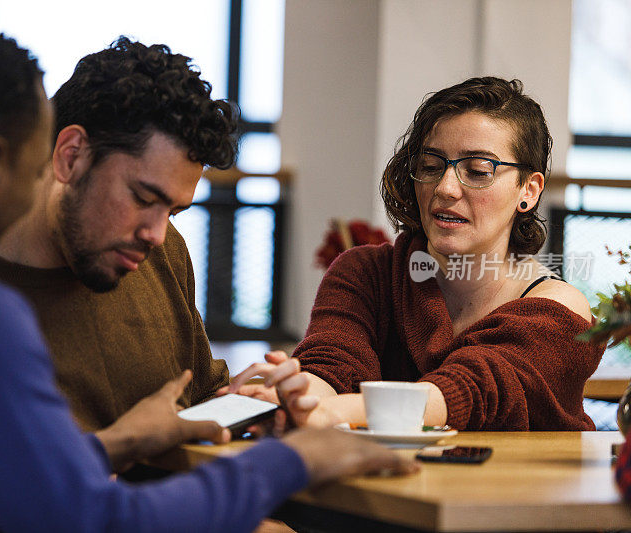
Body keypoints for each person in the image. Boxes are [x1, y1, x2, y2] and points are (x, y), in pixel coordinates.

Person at [0, 20, 418, 532]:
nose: (27, 197)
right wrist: (296, 461)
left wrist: (122, 441)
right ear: (1, 163)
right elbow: (92, 521)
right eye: (26, 172)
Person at [227, 77, 604, 431]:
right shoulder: (365, 272)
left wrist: (335, 411)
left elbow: (472, 390)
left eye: (477, 170)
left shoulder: (559, 308)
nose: (445, 188)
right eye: (431, 166)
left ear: (530, 190)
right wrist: (299, 395)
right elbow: (332, 365)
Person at [0, 37, 230, 430]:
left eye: (173, 211)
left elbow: (203, 395)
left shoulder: (165, 249)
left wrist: (257, 400)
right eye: (142, 197)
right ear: (72, 156)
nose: (156, 233)